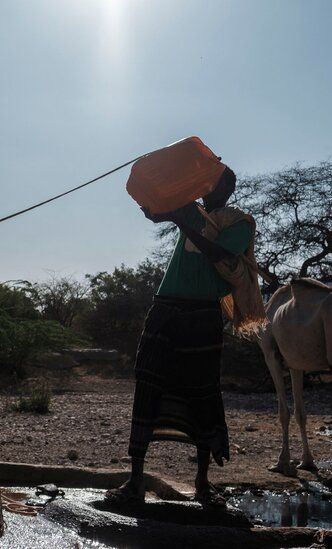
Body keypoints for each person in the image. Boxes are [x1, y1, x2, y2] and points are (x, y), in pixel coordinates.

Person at [106, 168, 251, 507]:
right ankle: (136, 479)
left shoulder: (238, 223)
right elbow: (153, 213)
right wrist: (156, 196)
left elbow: (219, 256)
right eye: (205, 181)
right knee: (148, 383)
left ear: (227, 188)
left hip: (201, 313)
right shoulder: (190, 209)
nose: (208, 187)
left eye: (215, 182)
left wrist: (180, 219)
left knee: (202, 392)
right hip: (165, 307)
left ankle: (202, 482)